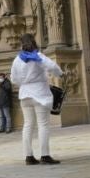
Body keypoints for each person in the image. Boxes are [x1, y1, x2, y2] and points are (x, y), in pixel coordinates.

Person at [10, 33, 63, 165]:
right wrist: (60, 74)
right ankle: (45, 155)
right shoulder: (38, 56)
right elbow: (52, 67)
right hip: (39, 94)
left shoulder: (17, 59)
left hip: (25, 95)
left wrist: (24, 81)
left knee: (28, 125)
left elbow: (13, 79)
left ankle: (28, 156)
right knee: (43, 124)